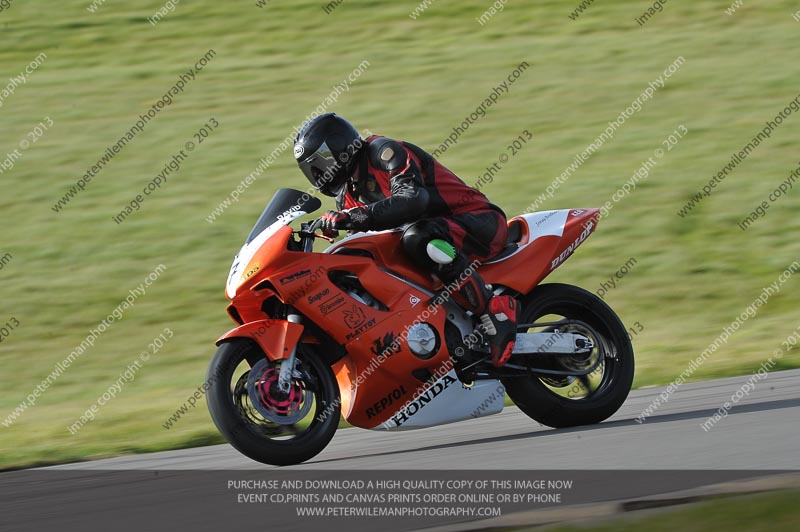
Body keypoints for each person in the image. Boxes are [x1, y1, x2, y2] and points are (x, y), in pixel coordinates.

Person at [293, 113, 517, 367]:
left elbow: (413, 199)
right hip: (438, 239)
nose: (318, 174)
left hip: (477, 222)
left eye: (320, 163)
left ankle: (494, 312)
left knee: (418, 237)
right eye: (311, 170)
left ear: (337, 148)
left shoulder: (383, 152)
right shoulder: (347, 196)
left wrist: (353, 217)